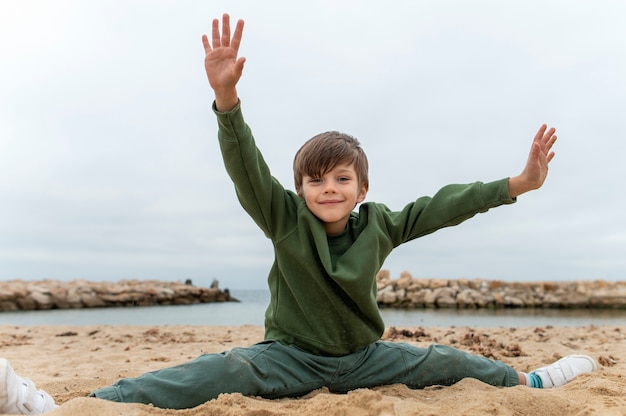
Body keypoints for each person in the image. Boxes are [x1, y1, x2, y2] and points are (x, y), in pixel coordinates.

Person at [1, 13, 598, 414]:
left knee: (445, 359)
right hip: (285, 359)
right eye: (316, 180)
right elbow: (247, 168)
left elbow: (443, 206)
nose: (329, 188)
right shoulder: (284, 218)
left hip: (366, 359)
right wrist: (228, 101)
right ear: (301, 188)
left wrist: (517, 183)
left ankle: (531, 382)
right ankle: (76, 405)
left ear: (362, 188)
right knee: (214, 369)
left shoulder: (382, 224)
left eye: (342, 179)